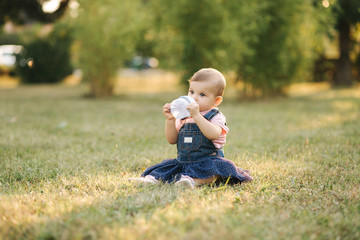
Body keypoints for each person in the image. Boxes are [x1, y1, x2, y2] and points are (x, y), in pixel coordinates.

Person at [137, 68, 253, 188]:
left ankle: (193, 181)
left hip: (208, 161)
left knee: (218, 170)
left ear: (216, 101)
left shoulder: (215, 116)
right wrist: (170, 120)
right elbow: (172, 140)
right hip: (184, 162)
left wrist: (197, 116)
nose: (194, 98)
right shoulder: (183, 116)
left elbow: (213, 134)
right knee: (167, 168)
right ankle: (153, 179)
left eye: (202, 94)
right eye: (191, 92)